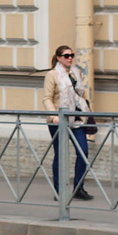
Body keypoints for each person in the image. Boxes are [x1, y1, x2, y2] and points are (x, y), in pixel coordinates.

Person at [42, 45, 92, 200]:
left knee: (83, 152)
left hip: (76, 119)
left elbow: (80, 95)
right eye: (66, 55)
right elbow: (47, 98)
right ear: (58, 58)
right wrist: (54, 115)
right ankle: (59, 191)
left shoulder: (75, 73)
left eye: (72, 55)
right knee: (61, 155)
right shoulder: (52, 75)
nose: (70, 58)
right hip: (59, 120)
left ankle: (78, 188)